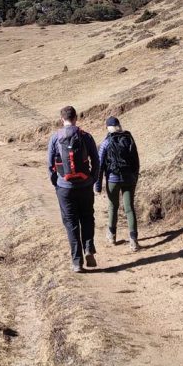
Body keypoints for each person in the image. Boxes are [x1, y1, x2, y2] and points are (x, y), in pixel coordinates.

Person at [47, 105, 100, 273]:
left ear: (62, 119)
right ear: (76, 118)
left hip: (64, 188)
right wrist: (92, 179)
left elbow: (50, 164)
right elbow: (96, 161)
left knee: (71, 223)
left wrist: (56, 183)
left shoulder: (55, 138)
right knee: (87, 217)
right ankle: (89, 248)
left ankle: (77, 262)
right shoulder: (86, 136)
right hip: (85, 185)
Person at [95, 116, 140, 251]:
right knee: (129, 208)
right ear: (119, 125)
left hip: (113, 180)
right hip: (129, 179)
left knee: (113, 206)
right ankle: (133, 241)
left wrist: (97, 185)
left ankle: (112, 236)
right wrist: (135, 178)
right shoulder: (129, 138)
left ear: (108, 128)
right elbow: (136, 160)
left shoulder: (106, 143)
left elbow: (100, 165)